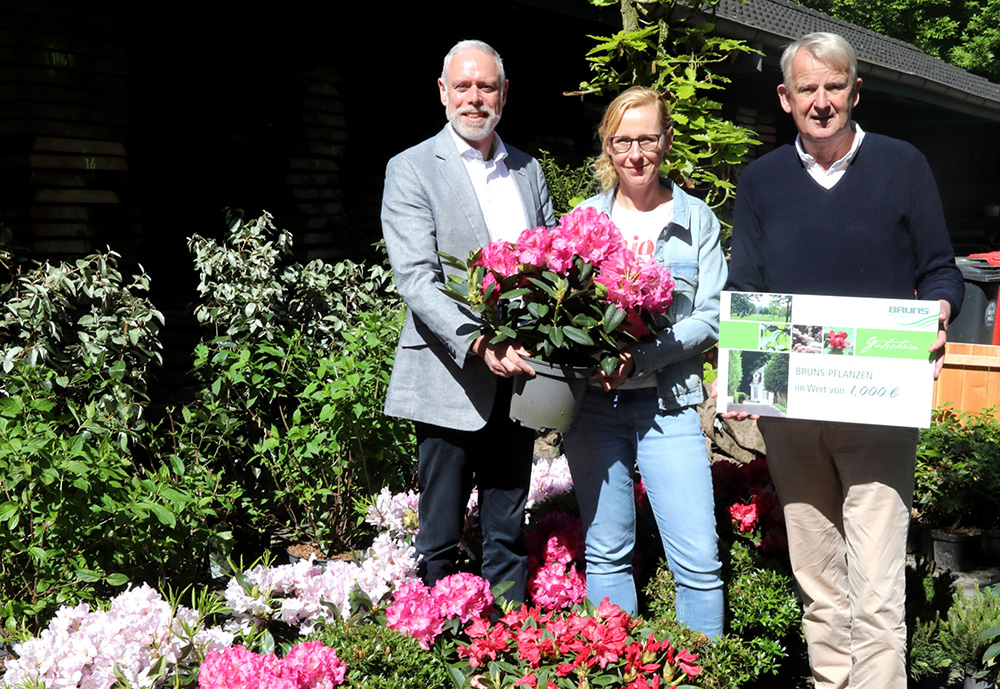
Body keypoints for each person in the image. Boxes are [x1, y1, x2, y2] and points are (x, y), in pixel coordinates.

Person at [727, 32, 964, 689]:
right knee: (818, 574)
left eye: (835, 87)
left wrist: (939, 313)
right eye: (808, 88)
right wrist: (746, 372)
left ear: (856, 91)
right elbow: (746, 289)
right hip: (793, 413)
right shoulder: (761, 181)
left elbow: (942, 272)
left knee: (878, 580)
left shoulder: (903, 165)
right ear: (785, 97)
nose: (822, 101)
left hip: (879, 406)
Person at [380, 40, 555, 604]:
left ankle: (506, 645)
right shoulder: (409, 170)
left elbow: (554, 266)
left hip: (521, 375)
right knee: (439, 537)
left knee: (507, 528)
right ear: (442, 92)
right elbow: (417, 280)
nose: (475, 99)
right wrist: (479, 342)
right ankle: (440, 647)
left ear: (504, 94)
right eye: (464, 87)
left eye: (486, 87)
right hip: (450, 374)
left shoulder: (528, 170)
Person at [563, 86, 726, 637]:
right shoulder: (583, 219)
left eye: (648, 138)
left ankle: (703, 674)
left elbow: (712, 316)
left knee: (699, 561)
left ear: (666, 140)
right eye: (623, 140)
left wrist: (642, 356)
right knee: (607, 552)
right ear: (608, 147)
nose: (636, 153)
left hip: (669, 406)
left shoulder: (696, 219)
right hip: (594, 409)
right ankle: (614, 668)